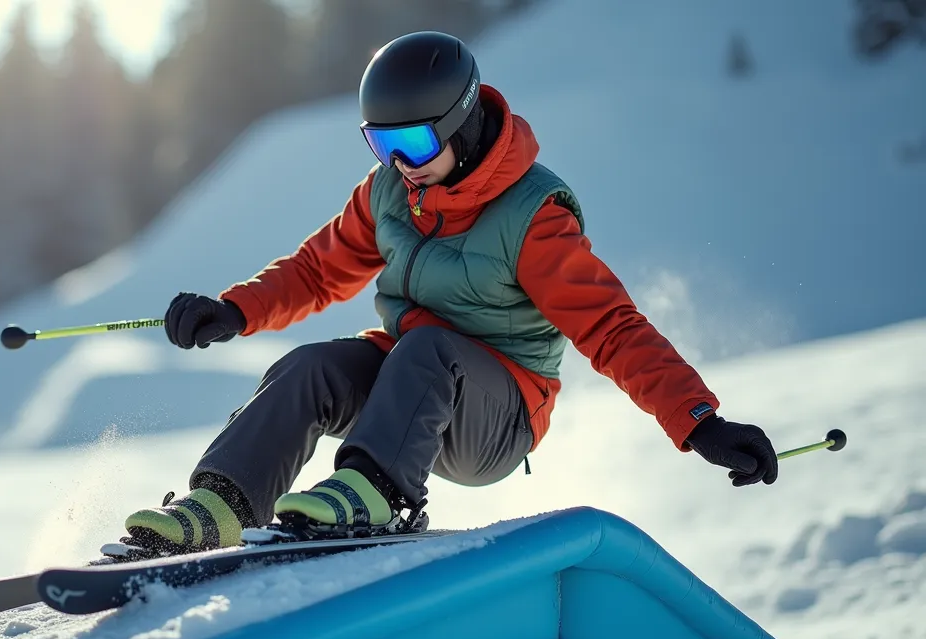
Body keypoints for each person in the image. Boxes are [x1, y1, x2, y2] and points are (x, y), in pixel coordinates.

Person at [121, 30, 779, 554]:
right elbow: (319, 271)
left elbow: (610, 327)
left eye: (411, 142)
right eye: (381, 144)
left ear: (460, 126)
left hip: (498, 416)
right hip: (409, 391)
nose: (398, 164)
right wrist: (234, 309)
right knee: (310, 367)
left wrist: (700, 422)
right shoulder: (389, 192)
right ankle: (225, 502)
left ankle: (379, 492)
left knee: (428, 348)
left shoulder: (532, 216)